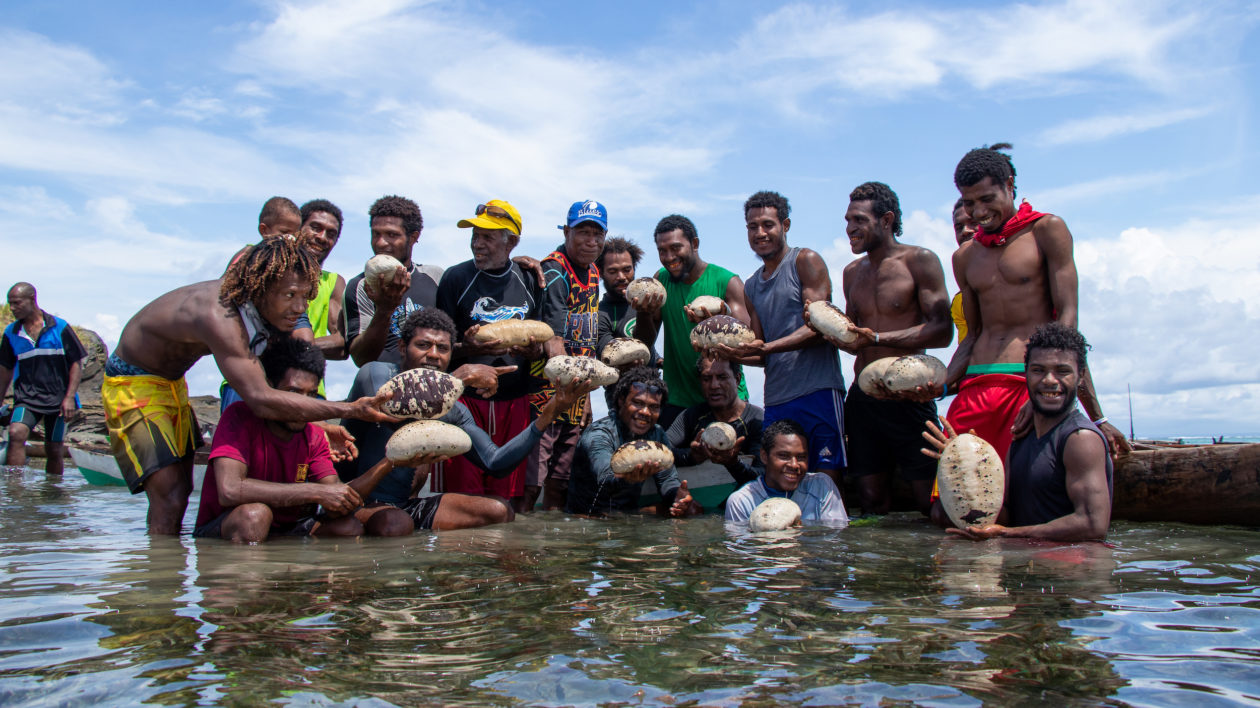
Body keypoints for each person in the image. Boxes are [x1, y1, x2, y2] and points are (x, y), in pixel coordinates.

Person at [104, 236, 393, 534]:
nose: (298, 308)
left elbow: (288, 377)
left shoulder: (257, 309)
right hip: (133, 381)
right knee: (171, 495)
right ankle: (162, 575)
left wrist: (318, 425)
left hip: (172, 383)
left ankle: (176, 567)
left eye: (304, 297)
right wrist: (353, 409)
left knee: (182, 487)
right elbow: (260, 397)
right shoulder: (219, 313)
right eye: (289, 295)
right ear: (262, 287)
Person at [946, 144, 1128, 460]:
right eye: (969, 203)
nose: (978, 213)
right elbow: (973, 335)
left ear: (1010, 186)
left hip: (1026, 380)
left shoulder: (1046, 230)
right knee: (953, 501)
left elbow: (1067, 320)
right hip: (975, 384)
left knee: (1024, 493)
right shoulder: (964, 257)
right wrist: (938, 385)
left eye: (987, 200)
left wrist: (1050, 391)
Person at [340, 309, 594, 531]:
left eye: (443, 349)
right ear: (402, 348)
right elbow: (395, 409)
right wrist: (458, 379)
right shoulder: (374, 373)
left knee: (499, 510)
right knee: (394, 524)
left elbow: (496, 463)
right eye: (423, 345)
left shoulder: (453, 409)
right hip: (353, 501)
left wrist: (552, 410)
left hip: (404, 508)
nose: (433, 355)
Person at [194, 339, 402, 543]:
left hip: (287, 529)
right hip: (228, 527)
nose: (303, 405)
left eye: (311, 395)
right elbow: (229, 490)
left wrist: (390, 461)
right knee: (255, 516)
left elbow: (336, 495)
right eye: (293, 393)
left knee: (348, 528)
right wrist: (315, 492)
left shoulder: (313, 435)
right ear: (270, 390)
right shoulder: (239, 417)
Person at [924, 323, 1113, 541]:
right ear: (1026, 373)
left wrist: (1007, 534)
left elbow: (1092, 525)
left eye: (1062, 371)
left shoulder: (1081, 439)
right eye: (1038, 370)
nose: (1049, 380)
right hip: (1027, 562)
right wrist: (963, 466)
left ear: (1080, 377)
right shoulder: (1021, 437)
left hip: (1071, 569)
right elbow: (1006, 514)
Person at [832, 182, 952, 515]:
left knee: (930, 501)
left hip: (909, 398)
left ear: (886, 220)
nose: (850, 229)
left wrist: (881, 339)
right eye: (847, 220)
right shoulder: (851, 272)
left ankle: (929, 566)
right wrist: (830, 331)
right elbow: (857, 340)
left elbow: (942, 330)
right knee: (870, 499)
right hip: (863, 401)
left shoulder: (920, 260)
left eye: (858, 220)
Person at [716, 191, 848, 484]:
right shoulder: (751, 285)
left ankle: (833, 532)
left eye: (767, 224)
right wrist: (731, 353)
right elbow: (761, 352)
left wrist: (769, 347)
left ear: (785, 225)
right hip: (777, 399)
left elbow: (820, 327)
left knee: (827, 478)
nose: (760, 233)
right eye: (752, 227)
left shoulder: (805, 260)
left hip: (818, 391)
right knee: (779, 482)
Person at [434, 200, 543, 512]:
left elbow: (540, 340)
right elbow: (438, 350)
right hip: (465, 403)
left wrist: (534, 351)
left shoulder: (531, 280)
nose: (477, 245)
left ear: (512, 242)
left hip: (515, 403)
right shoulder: (456, 278)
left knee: (503, 502)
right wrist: (469, 348)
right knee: (460, 501)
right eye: (475, 236)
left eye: (488, 237)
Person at [525, 200, 606, 510]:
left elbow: (586, 338)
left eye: (597, 235)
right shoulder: (555, 269)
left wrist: (584, 396)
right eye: (583, 232)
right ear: (567, 231)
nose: (591, 241)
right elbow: (555, 336)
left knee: (560, 480)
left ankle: (556, 552)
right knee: (533, 481)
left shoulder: (594, 273)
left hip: (575, 392)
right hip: (545, 394)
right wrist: (570, 390)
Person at [632, 214, 750, 427]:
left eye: (676, 248)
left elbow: (751, 340)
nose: (669, 257)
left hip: (727, 400)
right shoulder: (660, 281)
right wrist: (643, 312)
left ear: (694, 244)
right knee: (679, 460)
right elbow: (643, 343)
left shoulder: (727, 282)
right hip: (677, 403)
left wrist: (721, 321)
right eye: (662, 251)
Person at [566, 365, 701, 517]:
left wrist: (677, 496)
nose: (645, 412)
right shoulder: (599, 434)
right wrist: (627, 479)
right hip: (588, 519)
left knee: (693, 509)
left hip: (627, 516)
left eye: (654, 407)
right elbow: (605, 477)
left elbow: (667, 478)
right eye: (637, 403)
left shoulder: (656, 434)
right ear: (621, 401)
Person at [344, 195, 444, 366]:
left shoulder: (435, 277)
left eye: (391, 235)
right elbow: (361, 359)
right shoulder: (361, 286)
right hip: (381, 384)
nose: (381, 243)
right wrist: (385, 309)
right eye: (376, 234)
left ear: (413, 237)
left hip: (431, 381)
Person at [1, 283, 86, 475]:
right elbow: (5, 369)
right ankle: (15, 490)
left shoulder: (59, 327)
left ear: (32, 299)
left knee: (54, 449)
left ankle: (53, 494)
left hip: (58, 399)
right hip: (27, 398)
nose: (12, 308)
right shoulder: (11, 333)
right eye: (10, 304)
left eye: (16, 303)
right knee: (16, 434)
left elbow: (76, 363)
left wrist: (69, 397)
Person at [666, 356, 763, 496]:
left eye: (722, 377)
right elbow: (661, 451)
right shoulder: (691, 416)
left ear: (737, 379)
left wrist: (733, 463)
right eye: (707, 379)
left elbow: (763, 476)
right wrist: (691, 456)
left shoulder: (756, 419)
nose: (714, 385)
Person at [724, 419, 849, 528]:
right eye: (784, 456)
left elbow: (835, 539)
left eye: (801, 457)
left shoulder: (821, 486)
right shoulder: (741, 502)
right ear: (764, 456)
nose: (794, 465)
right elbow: (742, 550)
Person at [594, 236, 660, 409]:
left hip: (654, 395)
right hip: (621, 401)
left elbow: (649, 347)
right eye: (613, 271)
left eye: (627, 269)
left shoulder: (647, 301)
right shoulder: (599, 314)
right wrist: (644, 313)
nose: (622, 277)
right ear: (601, 273)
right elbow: (614, 357)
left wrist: (658, 358)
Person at [297, 199, 349, 364]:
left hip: (308, 385)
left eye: (331, 234)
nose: (322, 237)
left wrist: (294, 347)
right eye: (315, 228)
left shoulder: (333, 282)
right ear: (298, 228)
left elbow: (342, 345)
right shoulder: (265, 266)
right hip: (249, 380)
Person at [949, 198, 976, 343]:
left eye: (973, 222)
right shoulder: (959, 301)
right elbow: (968, 344)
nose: (965, 231)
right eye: (959, 227)